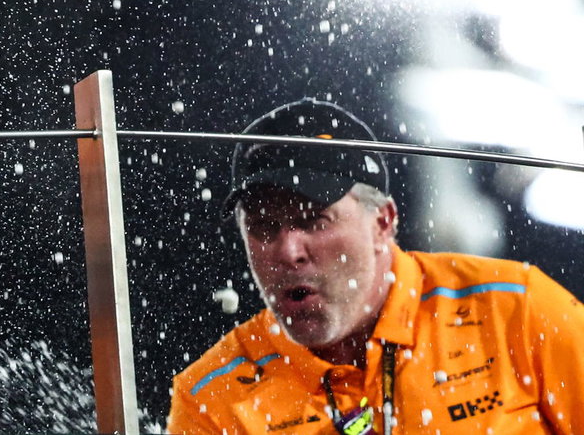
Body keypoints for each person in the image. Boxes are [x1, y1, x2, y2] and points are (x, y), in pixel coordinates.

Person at [169, 98, 583, 435]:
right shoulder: (212, 399)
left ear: (382, 223)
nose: (288, 251)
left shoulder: (517, 312)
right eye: (262, 228)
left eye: (314, 221)